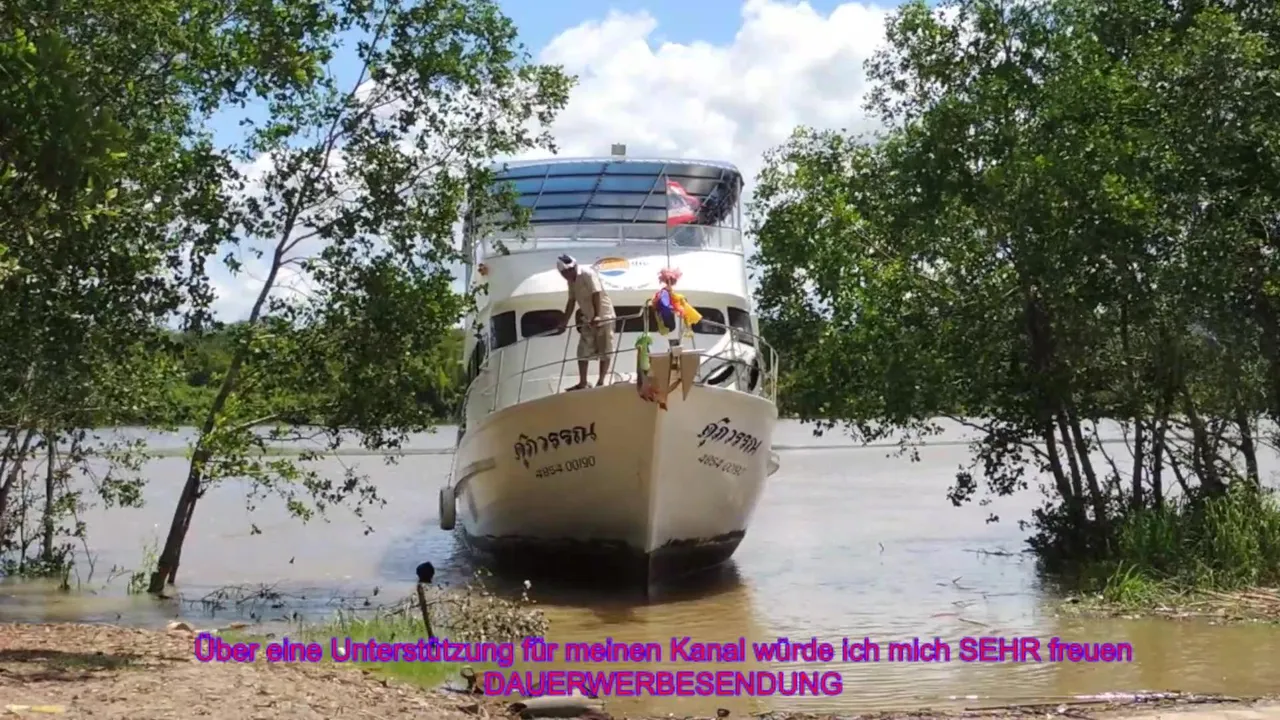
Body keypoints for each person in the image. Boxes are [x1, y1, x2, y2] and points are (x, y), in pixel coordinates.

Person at [555, 254, 616, 390]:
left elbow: (596, 293)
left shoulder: (587, 273)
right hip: (588, 319)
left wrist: (597, 316)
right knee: (582, 352)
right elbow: (571, 301)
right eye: (566, 272)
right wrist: (564, 322)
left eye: (572, 269)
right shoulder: (571, 281)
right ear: (562, 273)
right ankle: (583, 383)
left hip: (604, 316)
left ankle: (601, 382)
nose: (570, 272)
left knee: (605, 350)